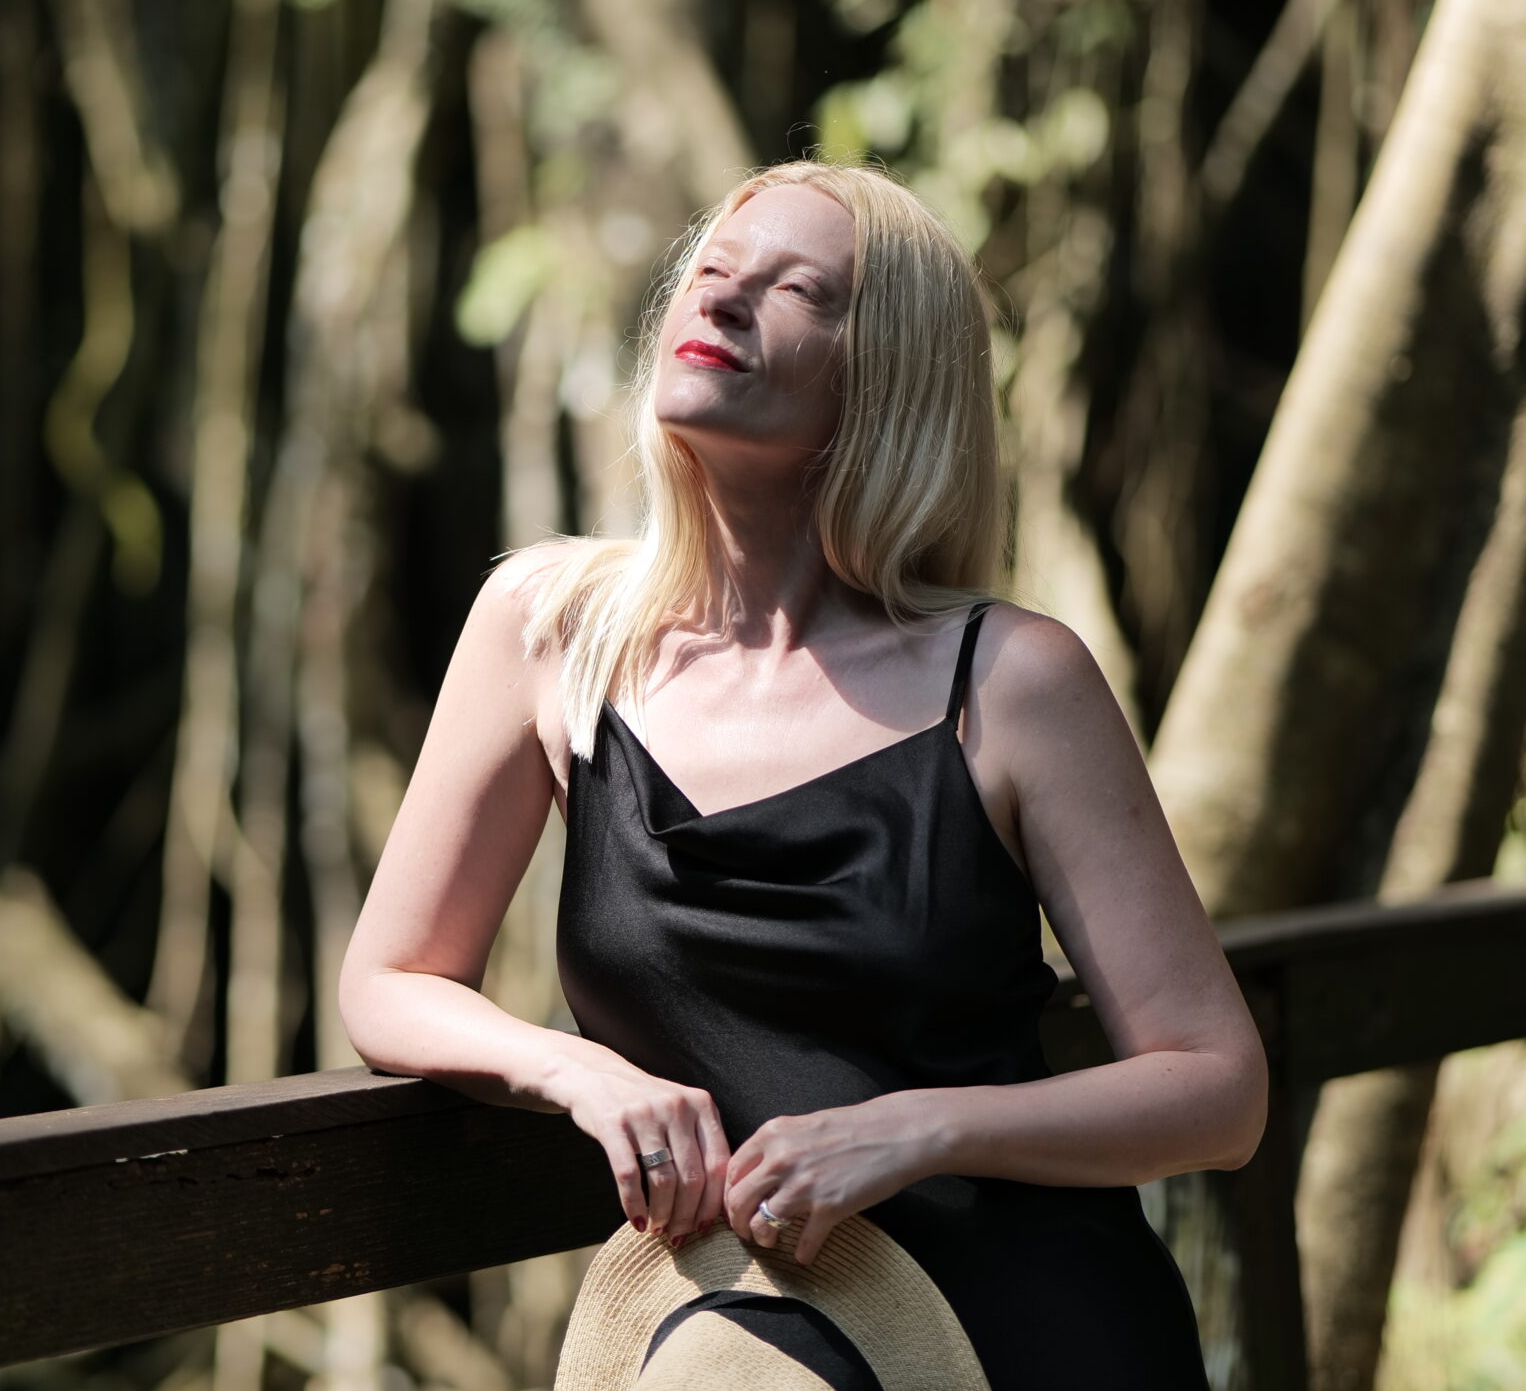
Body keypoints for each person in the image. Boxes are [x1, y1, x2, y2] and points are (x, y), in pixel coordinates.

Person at [337, 158, 1265, 1386]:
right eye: (713, 270)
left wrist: (915, 1130)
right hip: (743, 1332)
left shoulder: (1011, 680)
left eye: (797, 292)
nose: (720, 299)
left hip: (1020, 1327)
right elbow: (392, 980)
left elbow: (1216, 1089)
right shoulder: (550, 628)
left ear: (885, 380)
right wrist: (581, 1075)